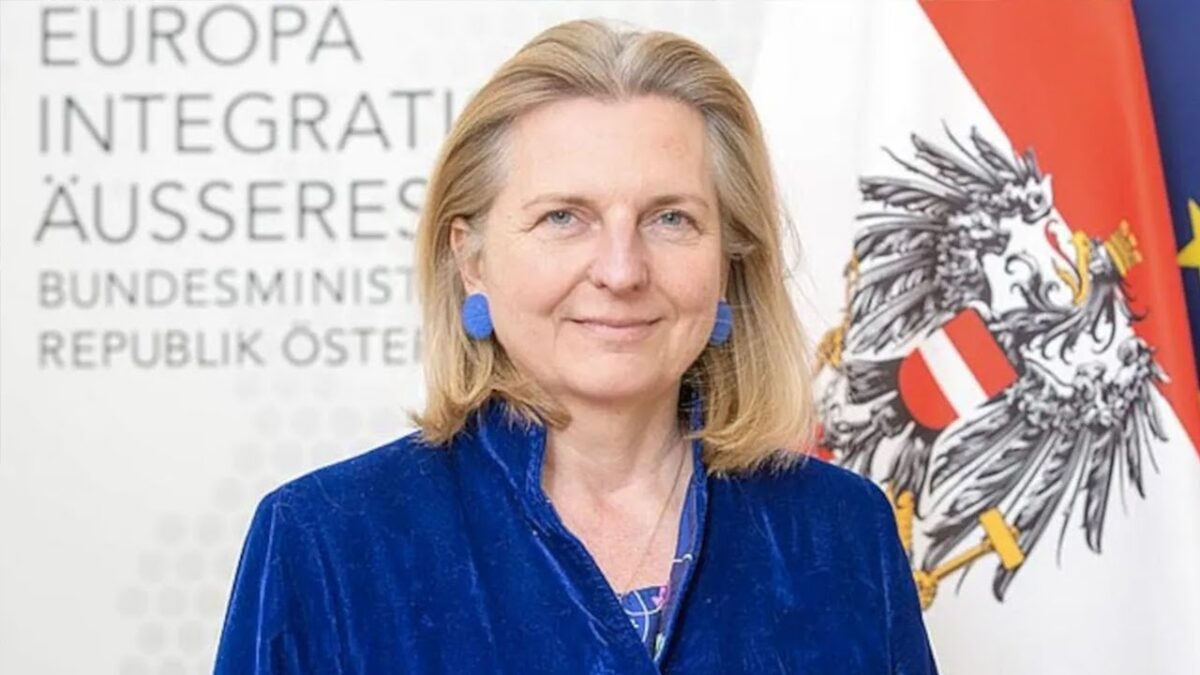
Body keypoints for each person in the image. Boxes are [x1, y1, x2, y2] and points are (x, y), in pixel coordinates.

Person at [213, 17, 938, 674]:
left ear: (728, 261)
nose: (621, 271)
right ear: (471, 259)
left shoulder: (843, 532)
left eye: (671, 218)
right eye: (564, 217)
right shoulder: (325, 543)